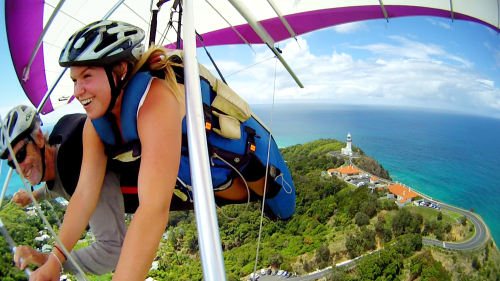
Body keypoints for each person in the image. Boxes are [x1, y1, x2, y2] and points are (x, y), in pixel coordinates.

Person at [30, 20, 295, 280]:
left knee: (282, 209)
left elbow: (153, 209)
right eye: (74, 80)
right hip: (209, 176)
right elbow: (84, 194)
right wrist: (55, 260)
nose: (78, 91)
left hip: (250, 155)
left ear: (120, 69)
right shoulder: (95, 126)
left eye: (87, 76)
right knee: (237, 194)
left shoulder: (154, 99)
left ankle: (262, 184)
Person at [0, 105, 127, 275]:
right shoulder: (57, 160)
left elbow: (113, 250)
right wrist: (32, 197)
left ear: (38, 138)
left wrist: (48, 261)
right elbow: (55, 186)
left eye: (21, 155)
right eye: (12, 163)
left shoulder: (78, 166)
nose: (20, 169)